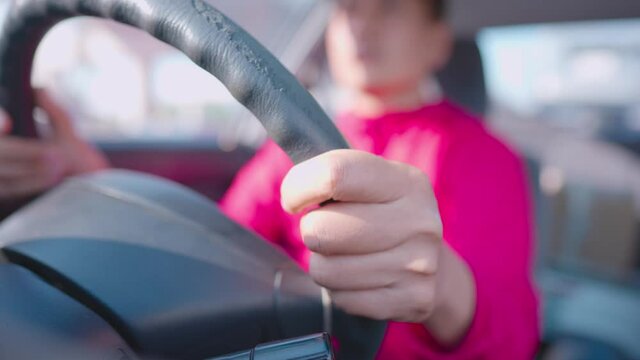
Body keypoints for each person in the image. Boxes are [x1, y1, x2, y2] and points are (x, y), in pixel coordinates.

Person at [0, 0, 539, 358]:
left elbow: (513, 334)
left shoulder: (483, 155)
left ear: (438, 41)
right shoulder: (301, 136)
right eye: (348, 6)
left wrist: (441, 282)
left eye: (390, 5)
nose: (361, 23)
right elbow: (218, 243)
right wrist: (87, 177)